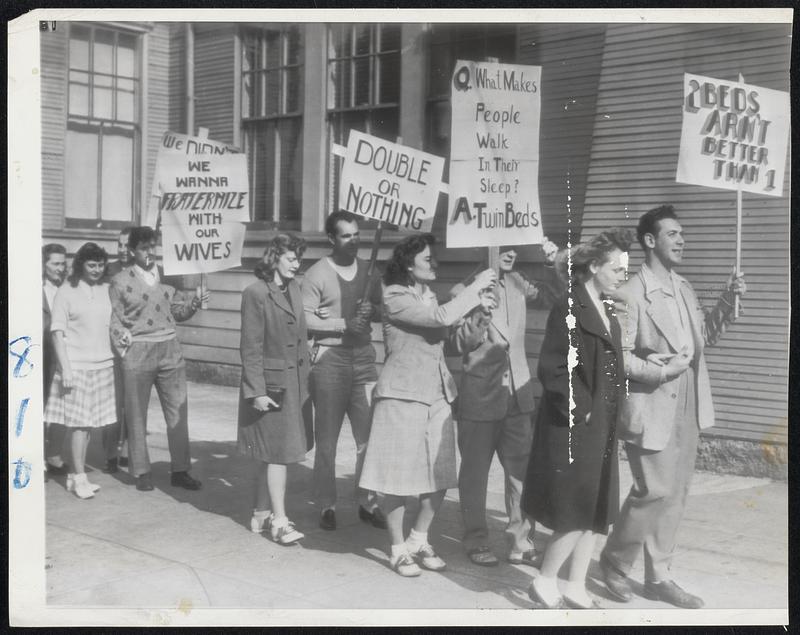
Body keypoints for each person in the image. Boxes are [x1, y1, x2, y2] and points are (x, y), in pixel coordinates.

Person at [599, 205, 746, 609]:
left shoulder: (684, 287)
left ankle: (659, 575)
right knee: (654, 490)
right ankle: (614, 559)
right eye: (673, 234)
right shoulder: (629, 294)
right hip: (652, 404)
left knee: (676, 492)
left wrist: (727, 302)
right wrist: (661, 372)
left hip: (690, 402)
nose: (682, 241)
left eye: (683, 234)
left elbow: (701, 340)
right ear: (650, 241)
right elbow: (617, 360)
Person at [359, 234, 497, 577]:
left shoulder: (429, 296)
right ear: (408, 264)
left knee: (441, 473)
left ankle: (419, 539)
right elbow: (439, 319)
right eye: (427, 259)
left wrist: (480, 314)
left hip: (437, 394)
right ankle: (396, 548)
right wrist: (475, 286)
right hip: (401, 395)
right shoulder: (394, 296)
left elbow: (452, 343)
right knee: (396, 479)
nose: (434, 263)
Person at [521, 229, 630, 609]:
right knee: (576, 508)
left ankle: (575, 584)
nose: (622, 274)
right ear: (595, 266)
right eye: (616, 267)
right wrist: (580, 408)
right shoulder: (569, 306)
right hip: (578, 424)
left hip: (602, 421)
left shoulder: (604, 306)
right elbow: (552, 367)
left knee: (596, 509)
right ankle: (545, 580)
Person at [451, 238, 563, 568]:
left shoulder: (517, 282)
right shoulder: (464, 289)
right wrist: (481, 313)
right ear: (483, 245)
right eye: (503, 247)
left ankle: (520, 541)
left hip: (517, 395)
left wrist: (554, 263)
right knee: (474, 475)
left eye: (515, 245)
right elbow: (460, 343)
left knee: (521, 473)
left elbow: (554, 297)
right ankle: (475, 539)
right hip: (481, 396)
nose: (511, 253)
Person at [302, 210, 384, 531]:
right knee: (327, 440)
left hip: (363, 359)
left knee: (368, 438)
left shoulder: (370, 271)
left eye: (356, 234)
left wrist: (372, 309)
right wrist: (340, 323)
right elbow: (304, 318)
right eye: (346, 235)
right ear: (332, 239)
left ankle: (366, 501)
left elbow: (381, 308)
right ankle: (327, 504)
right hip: (330, 360)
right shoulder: (317, 274)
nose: (354, 241)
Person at [109, 226, 207, 492]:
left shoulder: (166, 277)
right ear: (132, 251)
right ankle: (141, 472)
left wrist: (194, 303)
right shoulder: (120, 281)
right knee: (136, 414)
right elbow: (116, 320)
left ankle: (181, 470)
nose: (149, 253)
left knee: (178, 412)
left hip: (169, 350)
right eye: (143, 248)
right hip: (138, 353)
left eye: (152, 247)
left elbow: (178, 311)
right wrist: (124, 341)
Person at [238, 234, 310, 545]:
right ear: (274, 257)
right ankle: (279, 522)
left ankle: (259, 514)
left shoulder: (294, 288)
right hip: (270, 386)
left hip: (295, 385)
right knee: (278, 453)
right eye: (291, 258)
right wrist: (255, 391)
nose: (297, 263)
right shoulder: (255, 293)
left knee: (269, 454)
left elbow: (295, 332)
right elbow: (250, 347)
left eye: (299, 258)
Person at [43, 243, 121, 499]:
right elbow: (57, 332)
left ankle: (76, 475)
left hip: (103, 365)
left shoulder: (107, 289)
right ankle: (78, 478)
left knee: (89, 426)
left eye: (100, 265)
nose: (97, 270)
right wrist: (66, 369)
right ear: (80, 265)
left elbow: (112, 324)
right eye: (91, 265)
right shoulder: (66, 291)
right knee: (80, 425)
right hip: (76, 367)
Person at [103, 226, 133, 472]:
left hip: (136, 345)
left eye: (127, 245)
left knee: (133, 401)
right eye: (119, 245)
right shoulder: (109, 270)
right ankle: (111, 452)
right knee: (113, 400)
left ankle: (129, 448)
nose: (122, 250)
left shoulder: (143, 272)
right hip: (111, 344)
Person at [42, 243, 69, 478]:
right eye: (56, 263)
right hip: (41, 356)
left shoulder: (70, 288)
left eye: (64, 263)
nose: (61, 268)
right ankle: (36, 456)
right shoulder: (35, 290)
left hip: (64, 355)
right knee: (38, 406)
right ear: (44, 265)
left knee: (62, 405)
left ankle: (54, 455)